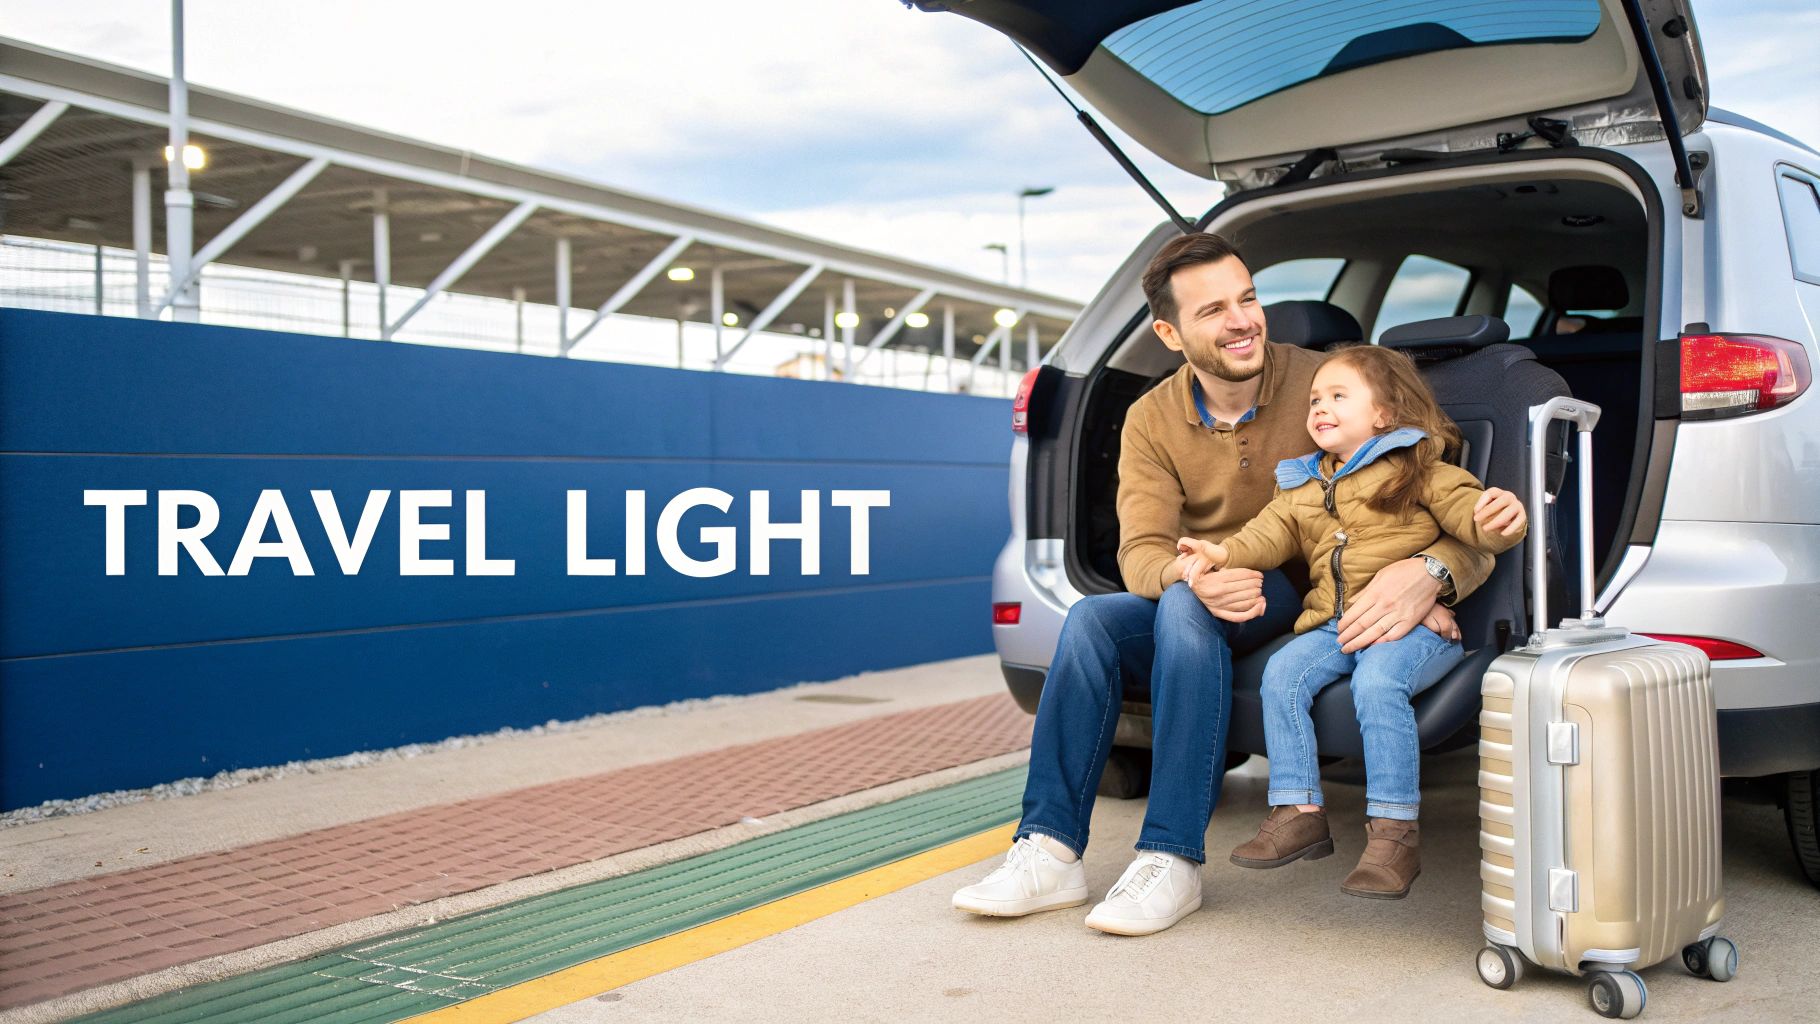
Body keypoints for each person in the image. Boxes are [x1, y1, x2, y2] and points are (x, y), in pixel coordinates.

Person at [950, 233, 1494, 935]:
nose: (1243, 321)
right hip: (1210, 589)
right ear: (1170, 333)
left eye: (1249, 298)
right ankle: (1049, 849)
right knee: (1092, 621)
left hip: (1311, 595)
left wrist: (1432, 575)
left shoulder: (1331, 384)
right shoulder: (1150, 417)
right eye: (1214, 310)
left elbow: (1456, 503)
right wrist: (1194, 573)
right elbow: (1140, 552)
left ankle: (1172, 857)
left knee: (1180, 609)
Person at [1179, 344, 1527, 899]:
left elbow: (1474, 523)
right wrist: (1222, 555)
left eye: (1339, 396)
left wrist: (1498, 521)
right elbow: (1266, 535)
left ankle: (1393, 835)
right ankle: (1298, 811)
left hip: (1414, 626)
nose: (1320, 406)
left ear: (1385, 414)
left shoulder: (1419, 467)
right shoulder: (1303, 483)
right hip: (1333, 623)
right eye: (1316, 398)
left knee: (1377, 683)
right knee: (1281, 676)